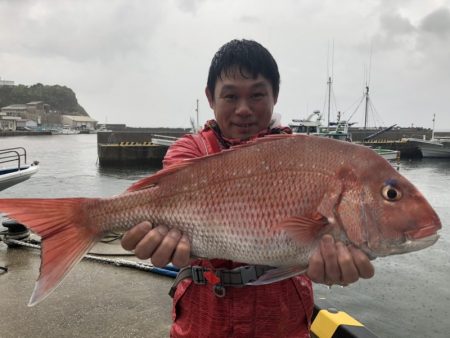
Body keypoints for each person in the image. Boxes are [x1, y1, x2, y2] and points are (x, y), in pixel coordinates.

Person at [121, 39, 375, 338]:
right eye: (230, 96)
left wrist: (333, 269)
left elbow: (301, 245)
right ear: (210, 97)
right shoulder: (190, 150)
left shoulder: (302, 155)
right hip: (203, 321)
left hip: (280, 321)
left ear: (275, 96)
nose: (243, 109)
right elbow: (168, 201)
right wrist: (153, 238)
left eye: (257, 95)